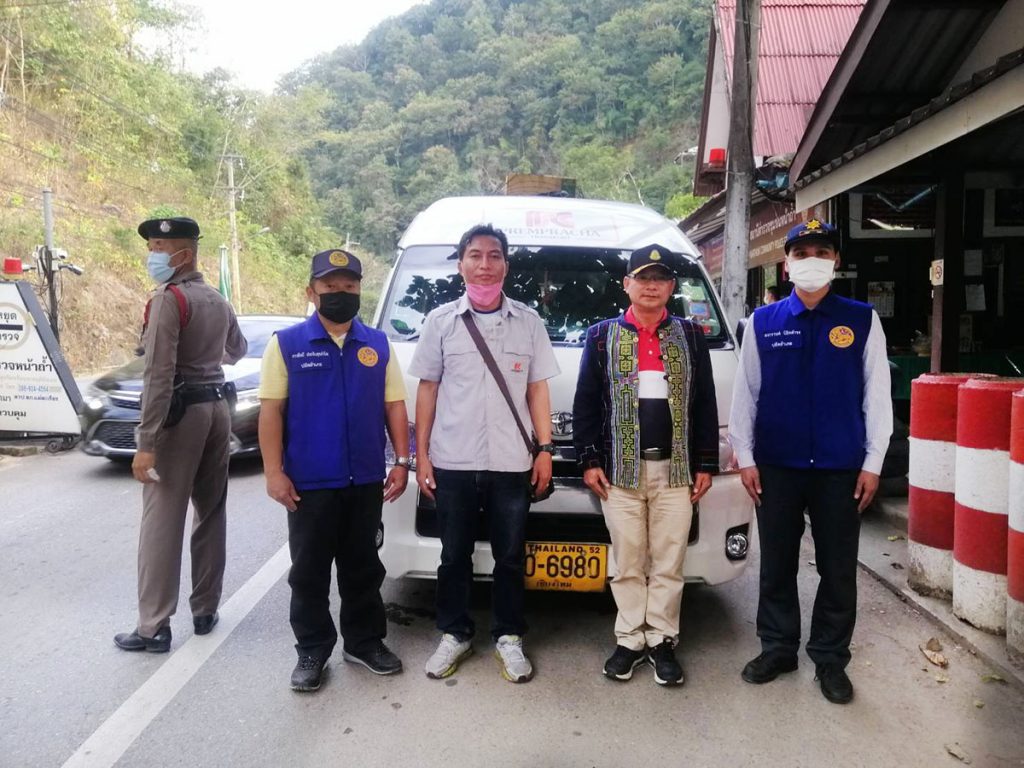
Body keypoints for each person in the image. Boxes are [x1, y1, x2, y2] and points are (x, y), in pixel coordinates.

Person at [729, 219, 892, 704]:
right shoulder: (762, 322)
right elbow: (746, 394)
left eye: (822, 252)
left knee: (837, 568)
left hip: (841, 468)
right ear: (787, 264)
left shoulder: (862, 320)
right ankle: (778, 648)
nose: (812, 260)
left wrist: (873, 462)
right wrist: (745, 455)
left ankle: (830, 657)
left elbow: (877, 395)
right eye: (802, 253)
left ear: (836, 260)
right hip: (777, 466)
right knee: (777, 564)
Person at [408, 224, 559, 683]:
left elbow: (537, 390)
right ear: (461, 265)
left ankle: (509, 636)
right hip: (453, 460)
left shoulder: (529, 322)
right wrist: (422, 455)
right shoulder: (440, 322)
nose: (485, 264)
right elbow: (428, 389)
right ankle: (454, 632)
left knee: (510, 555)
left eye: (494, 256)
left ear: (506, 266)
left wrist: (545, 450)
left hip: (512, 462)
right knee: (454, 554)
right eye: (475, 255)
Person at [258, 249, 411, 692]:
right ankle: (312, 649)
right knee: (308, 572)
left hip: (365, 480)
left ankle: (364, 642)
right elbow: (271, 412)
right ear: (312, 292)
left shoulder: (377, 345)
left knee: (363, 567)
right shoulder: (286, 344)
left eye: (349, 286)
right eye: (330, 286)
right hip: (309, 483)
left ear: (360, 290)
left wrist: (401, 462)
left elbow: (394, 406)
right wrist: (273, 472)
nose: (340, 293)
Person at [572, 244, 718, 686]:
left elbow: (705, 403)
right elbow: (585, 404)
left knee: (669, 560)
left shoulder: (691, 336)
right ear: (627, 284)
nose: (651, 286)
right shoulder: (601, 336)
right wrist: (589, 460)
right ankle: (630, 638)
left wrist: (705, 463)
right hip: (620, 471)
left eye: (660, 278)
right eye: (643, 278)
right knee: (628, 560)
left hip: (676, 471)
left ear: (671, 287)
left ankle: (662, 639)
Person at [114, 217, 247, 653]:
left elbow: (158, 374)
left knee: (162, 519)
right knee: (211, 510)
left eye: (158, 246)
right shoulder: (217, 299)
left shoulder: (169, 300)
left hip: (181, 415)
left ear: (183, 255)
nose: (151, 254)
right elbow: (238, 350)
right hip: (217, 409)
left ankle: (153, 626)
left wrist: (146, 443)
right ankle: (205, 609)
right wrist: (206, 357)